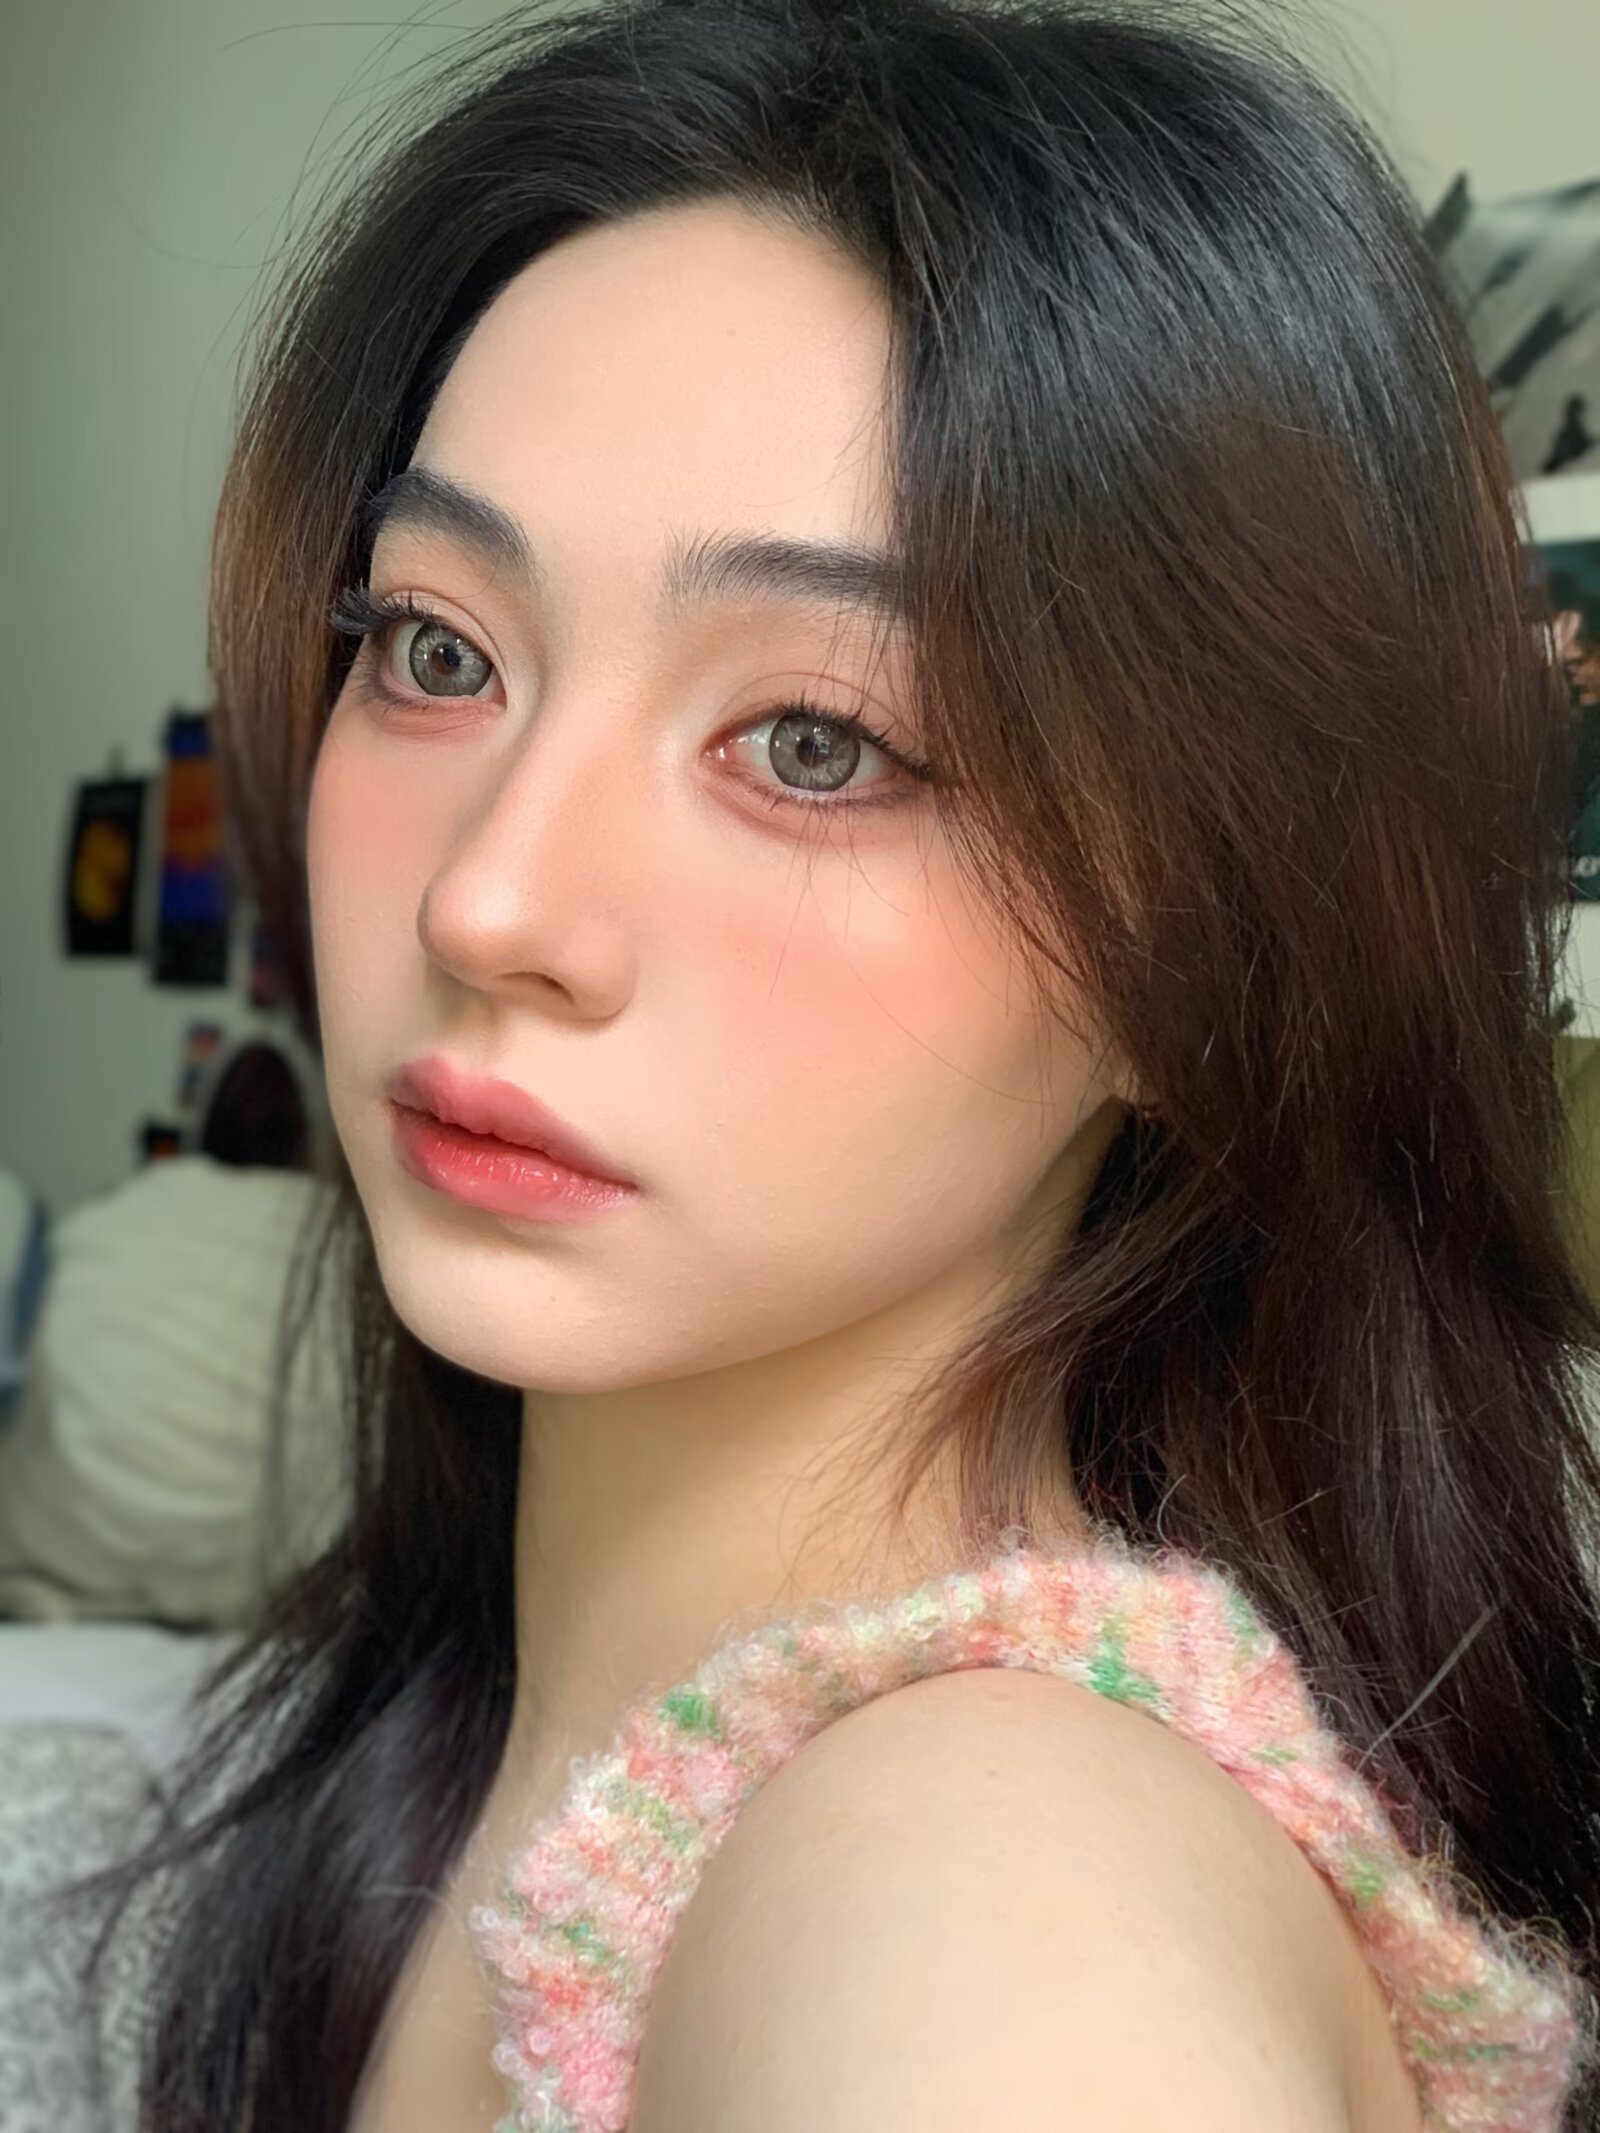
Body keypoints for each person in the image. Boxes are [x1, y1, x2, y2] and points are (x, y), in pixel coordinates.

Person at [60, 0, 1600, 2126]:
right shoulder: (463, 1750)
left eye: (813, 742)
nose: (489, 902)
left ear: (1204, 966)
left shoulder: (984, 1885)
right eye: (436, 648)